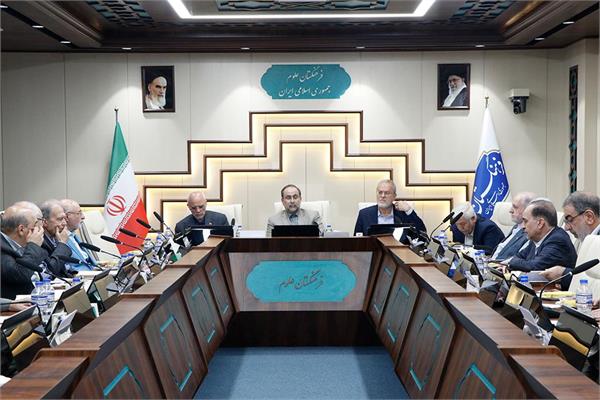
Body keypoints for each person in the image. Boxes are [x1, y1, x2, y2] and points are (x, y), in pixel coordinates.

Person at [506, 199, 577, 288]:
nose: (523, 226)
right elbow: (518, 256)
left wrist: (512, 262)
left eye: (525, 221)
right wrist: (513, 262)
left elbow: (535, 266)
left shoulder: (557, 240)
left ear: (540, 223)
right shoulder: (536, 238)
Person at [540, 191, 600, 280]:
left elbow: (591, 279)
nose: (566, 228)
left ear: (589, 217)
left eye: (570, 220)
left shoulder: (596, 241)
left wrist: (563, 273)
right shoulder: (585, 238)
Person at [354, 179, 426, 242]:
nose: (382, 196)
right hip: (373, 251)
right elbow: (356, 241)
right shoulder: (364, 214)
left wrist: (408, 210)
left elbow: (422, 234)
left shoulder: (402, 213)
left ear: (394, 196)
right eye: (380, 192)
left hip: (398, 252)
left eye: (387, 193)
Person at [1, 204, 46, 299]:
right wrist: (33, 246)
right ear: (21, 229)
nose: (39, 230)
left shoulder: (21, 244)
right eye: (35, 226)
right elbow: (20, 275)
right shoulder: (2, 247)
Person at [491, 192, 536, 261]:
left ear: (527, 210)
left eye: (515, 207)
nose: (510, 210)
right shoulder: (516, 227)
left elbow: (518, 260)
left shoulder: (530, 234)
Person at [60, 199, 97, 271]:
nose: (83, 216)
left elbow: (86, 261)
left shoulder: (73, 235)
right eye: (79, 213)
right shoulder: (60, 239)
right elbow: (69, 268)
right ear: (66, 217)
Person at [39, 199, 73, 277]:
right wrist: (62, 244)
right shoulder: (40, 242)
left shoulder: (54, 238)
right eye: (60, 219)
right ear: (45, 222)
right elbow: (50, 272)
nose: (64, 223)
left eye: (65, 219)